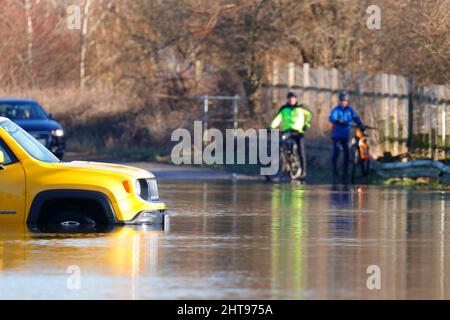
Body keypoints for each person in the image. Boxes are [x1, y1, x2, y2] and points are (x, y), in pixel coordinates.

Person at [269, 92, 312, 178]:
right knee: (281, 143)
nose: (291, 100)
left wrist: (306, 125)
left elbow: (310, 115)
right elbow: (278, 119)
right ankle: (283, 161)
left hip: (298, 131)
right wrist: (271, 126)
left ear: (295, 99)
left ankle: (303, 171)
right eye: (290, 99)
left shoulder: (301, 108)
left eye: (293, 99)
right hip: (287, 131)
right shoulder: (284, 109)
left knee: (301, 150)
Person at [328, 91, 364, 179]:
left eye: (345, 101)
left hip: (345, 135)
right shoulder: (336, 109)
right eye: (342, 101)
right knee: (336, 151)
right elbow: (332, 117)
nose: (344, 102)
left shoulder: (350, 110)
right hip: (337, 134)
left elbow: (355, 117)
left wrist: (360, 123)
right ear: (340, 101)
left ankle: (345, 171)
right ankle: (334, 170)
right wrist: (337, 121)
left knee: (347, 153)